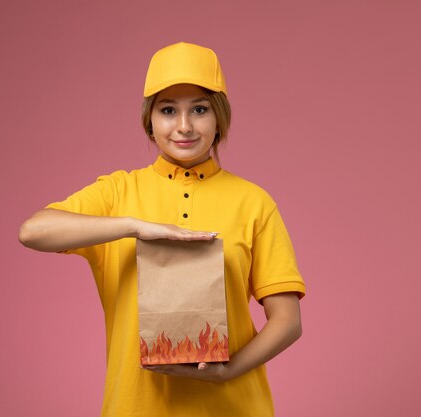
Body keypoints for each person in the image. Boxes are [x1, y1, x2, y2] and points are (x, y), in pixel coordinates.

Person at [18, 42, 305, 417]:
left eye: (199, 110)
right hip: (136, 407)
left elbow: (287, 322)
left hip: (234, 406)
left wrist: (226, 372)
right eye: (168, 110)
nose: (183, 126)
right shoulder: (118, 192)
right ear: (149, 121)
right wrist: (134, 226)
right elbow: (33, 231)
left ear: (219, 119)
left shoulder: (253, 201)